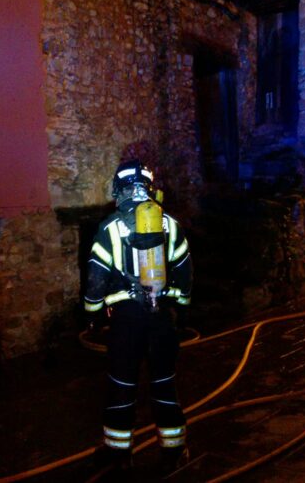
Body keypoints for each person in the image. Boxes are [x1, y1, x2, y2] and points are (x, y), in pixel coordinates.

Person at [84, 159, 193, 475]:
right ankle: (173, 452)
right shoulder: (171, 225)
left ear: (119, 189)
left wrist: (94, 317)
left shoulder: (110, 227)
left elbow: (95, 279)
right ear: (150, 187)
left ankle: (119, 455)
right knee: (164, 384)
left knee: (121, 386)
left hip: (126, 322)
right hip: (163, 321)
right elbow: (185, 274)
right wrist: (181, 312)